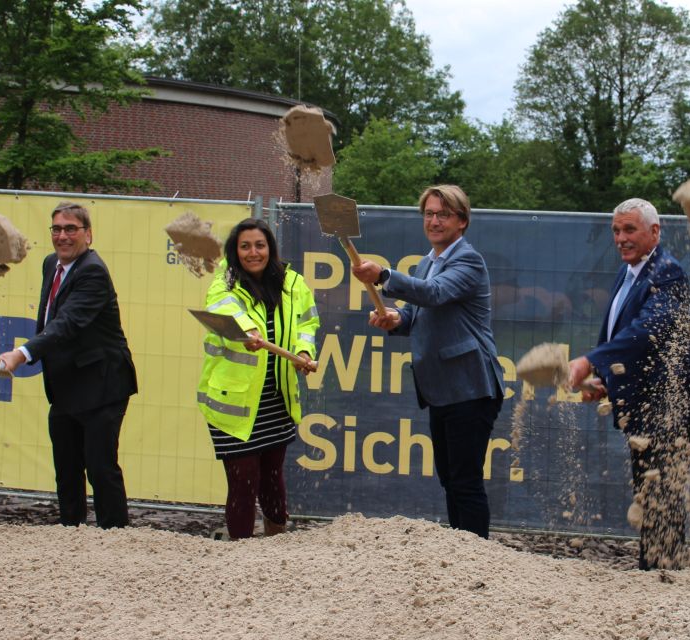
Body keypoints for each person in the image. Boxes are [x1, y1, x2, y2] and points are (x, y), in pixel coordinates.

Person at [567, 198, 690, 570]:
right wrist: (603, 377)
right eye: (616, 230)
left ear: (655, 232)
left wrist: (590, 361)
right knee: (650, 489)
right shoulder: (628, 271)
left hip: (672, 399)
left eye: (629, 229)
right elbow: (620, 335)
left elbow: (647, 331)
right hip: (644, 400)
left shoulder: (668, 272)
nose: (620, 238)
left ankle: (663, 572)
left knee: (662, 490)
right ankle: (660, 570)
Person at [350, 185, 504, 539]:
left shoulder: (468, 260)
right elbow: (418, 314)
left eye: (443, 214)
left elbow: (434, 294)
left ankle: (476, 559)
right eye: (429, 214)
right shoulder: (426, 262)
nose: (434, 221)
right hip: (442, 390)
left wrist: (384, 276)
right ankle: (457, 551)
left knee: (464, 482)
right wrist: (395, 319)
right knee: (450, 479)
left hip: (471, 387)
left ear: (462, 222)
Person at [0, 201, 137, 529]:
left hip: (102, 383)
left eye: (71, 229)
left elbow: (67, 323)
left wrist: (22, 354)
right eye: (57, 229)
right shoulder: (51, 264)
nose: (63, 236)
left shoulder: (93, 271)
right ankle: (69, 537)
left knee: (100, 467)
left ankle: (114, 539)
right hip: (66, 383)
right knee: (67, 468)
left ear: (88, 234)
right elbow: (50, 320)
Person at [197, 218, 318, 539]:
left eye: (260, 245)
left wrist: (304, 351)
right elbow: (223, 308)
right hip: (232, 404)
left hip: (276, 400)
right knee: (243, 479)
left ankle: (276, 541)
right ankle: (240, 549)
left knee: (272, 476)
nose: (253, 253)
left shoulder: (293, 283)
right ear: (235, 251)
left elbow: (307, 323)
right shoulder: (225, 282)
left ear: (270, 248)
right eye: (245, 246)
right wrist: (244, 331)